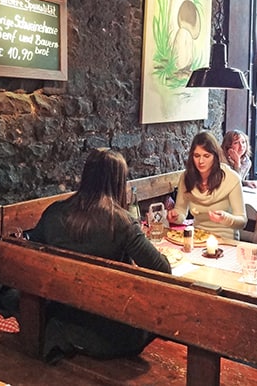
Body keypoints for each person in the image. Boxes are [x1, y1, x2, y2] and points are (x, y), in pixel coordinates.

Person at [30, 148, 171, 363]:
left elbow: (33, 255)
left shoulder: (53, 212)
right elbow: (162, 270)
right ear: (118, 181)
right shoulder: (121, 222)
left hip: (61, 320)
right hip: (112, 333)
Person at [168, 131, 247, 240]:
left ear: (215, 156)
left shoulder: (231, 179)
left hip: (226, 239)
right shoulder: (187, 178)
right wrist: (175, 217)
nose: (201, 161)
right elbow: (181, 211)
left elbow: (242, 222)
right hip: (198, 237)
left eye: (206, 156)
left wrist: (225, 218)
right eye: (197, 156)